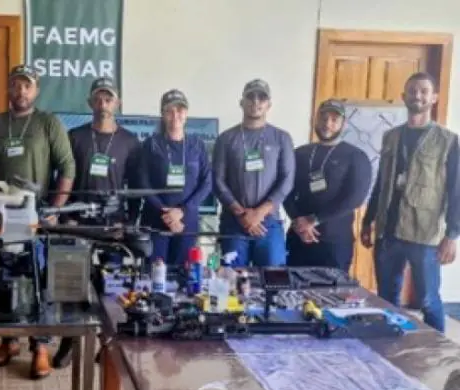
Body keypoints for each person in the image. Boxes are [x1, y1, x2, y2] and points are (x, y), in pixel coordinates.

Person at [0, 64, 76, 379]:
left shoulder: (49, 123)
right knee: (2, 280)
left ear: (36, 90)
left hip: (35, 217)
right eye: (16, 85)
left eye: (27, 86)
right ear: (9, 88)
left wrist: (55, 209)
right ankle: (10, 341)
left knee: (37, 281)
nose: (21, 91)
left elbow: (67, 166)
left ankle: (41, 347)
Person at [52, 78, 142, 369]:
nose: (103, 103)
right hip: (77, 222)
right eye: (98, 98)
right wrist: (65, 215)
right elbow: (62, 178)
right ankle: (69, 341)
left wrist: (128, 224)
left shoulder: (130, 141)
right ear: (90, 102)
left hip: (113, 226)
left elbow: (136, 187)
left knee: (112, 289)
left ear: (117, 103)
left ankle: (108, 344)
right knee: (71, 286)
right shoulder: (74, 136)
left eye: (109, 98)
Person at [360, 72, 460, 333]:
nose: (418, 95)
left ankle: (439, 358)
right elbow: (381, 182)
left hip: (424, 234)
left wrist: (452, 234)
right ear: (404, 96)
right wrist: (368, 220)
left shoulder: (448, 141)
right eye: (413, 90)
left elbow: (455, 191)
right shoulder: (391, 137)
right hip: (388, 231)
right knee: (387, 300)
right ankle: (392, 351)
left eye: (424, 91)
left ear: (434, 97)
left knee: (428, 300)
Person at [212, 79, 295, 267]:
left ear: (269, 104)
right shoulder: (226, 139)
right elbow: (218, 181)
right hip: (234, 223)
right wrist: (242, 215)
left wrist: (259, 213)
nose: (256, 102)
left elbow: (287, 180)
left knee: (273, 282)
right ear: (241, 102)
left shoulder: (281, 138)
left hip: (269, 223)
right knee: (231, 284)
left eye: (262, 97)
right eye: (251, 96)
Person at [283, 99, 372, 272]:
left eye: (334, 120)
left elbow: (355, 198)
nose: (327, 124)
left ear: (343, 124)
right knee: (293, 294)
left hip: (335, 242)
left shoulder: (356, 156)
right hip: (299, 238)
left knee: (332, 294)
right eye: (323, 118)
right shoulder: (299, 153)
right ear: (315, 119)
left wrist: (314, 220)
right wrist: (298, 221)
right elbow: (285, 191)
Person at [140, 89, 212, 262]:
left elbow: (207, 182)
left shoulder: (198, 145)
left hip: (187, 223)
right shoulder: (151, 144)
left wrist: (182, 211)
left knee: (184, 276)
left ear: (186, 113)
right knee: (154, 277)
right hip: (156, 221)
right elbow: (142, 182)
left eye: (179, 110)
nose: (175, 115)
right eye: (169, 110)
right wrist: (166, 213)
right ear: (162, 114)